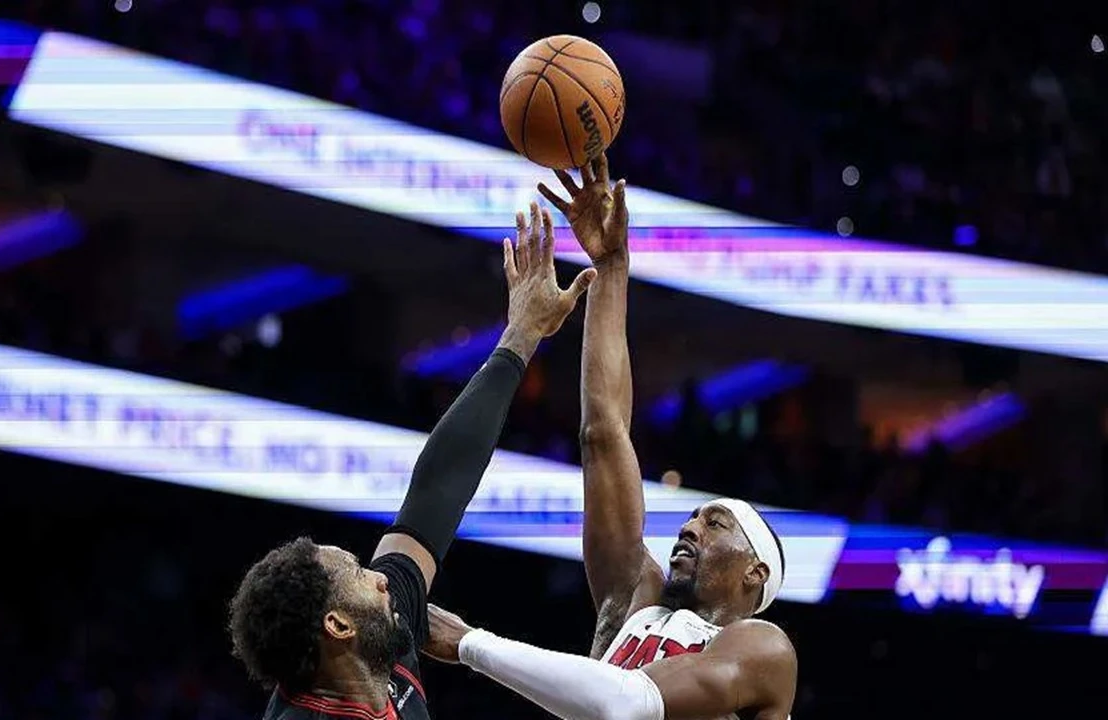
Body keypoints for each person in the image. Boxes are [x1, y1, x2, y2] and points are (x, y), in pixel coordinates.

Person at [420, 155, 797, 720]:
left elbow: (631, 702)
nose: (690, 528)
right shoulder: (634, 599)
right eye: (694, 517)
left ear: (755, 573)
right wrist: (611, 266)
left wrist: (471, 644)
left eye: (715, 523)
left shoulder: (763, 648)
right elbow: (603, 433)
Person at [226, 202, 597, 720]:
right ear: (338, 625)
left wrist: (521, 336)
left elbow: (435, 493)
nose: (380, 577)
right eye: (359, 573)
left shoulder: (377, 634)